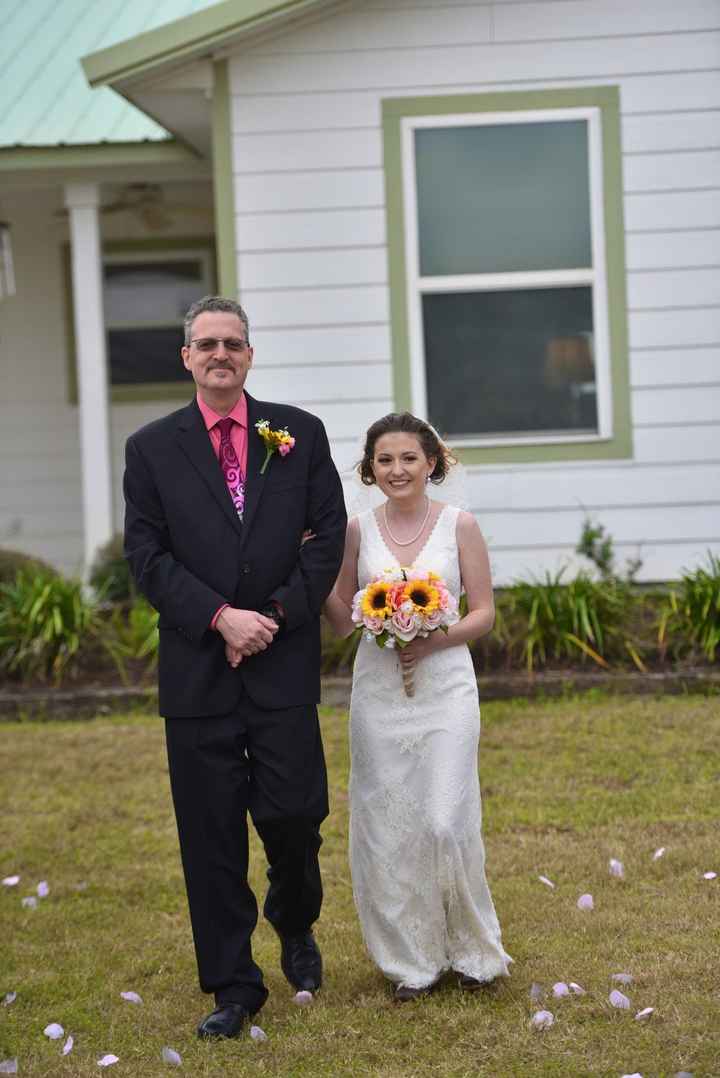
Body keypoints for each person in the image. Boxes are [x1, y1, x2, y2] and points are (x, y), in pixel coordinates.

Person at [123, 295, 347, 1038]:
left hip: (283, 664)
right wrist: (220, 618)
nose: (221, 353)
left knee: (296, 814)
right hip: (198, 672)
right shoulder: (152, 449)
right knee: (211, 833)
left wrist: (272, 619)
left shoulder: (300, 435)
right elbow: (146, 557)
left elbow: (325, 540)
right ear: (186, 356)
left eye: (234, 343)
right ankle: (234, 985)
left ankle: (293, 915)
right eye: (206, 343)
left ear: (250, 356)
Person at [323, 412, 511, 1001]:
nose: (397, 469)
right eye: (384, 460)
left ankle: (473, 952)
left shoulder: (460, 524)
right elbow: (339, 619)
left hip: (446, 688)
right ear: (370, 469)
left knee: (443, 822)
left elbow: (482, 611)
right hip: (379, 693)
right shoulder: (357, 531)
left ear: (431, 462)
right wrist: (326, 574)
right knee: (388, 828)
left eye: (408, 458)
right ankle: (412, 963)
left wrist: (434, 637)